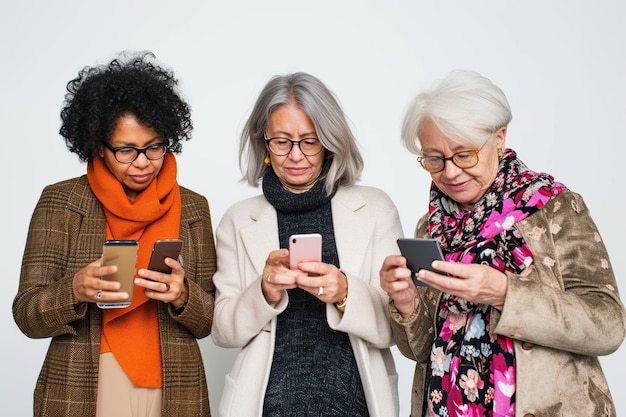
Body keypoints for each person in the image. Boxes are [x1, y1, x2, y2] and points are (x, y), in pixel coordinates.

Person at [379, 69, 626, 417]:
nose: (450, 172)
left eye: (464, 154)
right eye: (434, 159)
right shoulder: (429, 226)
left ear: (499, 138)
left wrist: (504, 293)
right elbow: (421, 351)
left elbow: (609, 325)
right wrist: (406, 303)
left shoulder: (554, 208)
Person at [13, 51, 216, 417]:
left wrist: (184, 295)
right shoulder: (61, 201)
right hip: (84, 387)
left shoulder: (194, 207)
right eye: (126, 150)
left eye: (154, 147)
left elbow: (210, 321)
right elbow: (27, 315)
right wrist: (73, 289)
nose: (142, 161)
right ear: (98, 147)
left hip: (175, 389)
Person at [211, 72, 402, 417]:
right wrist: (264, 291)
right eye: (282, 141)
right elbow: (223, 331)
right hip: (265, 406)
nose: (295, 155)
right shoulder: (238, 219)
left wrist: (345, 292)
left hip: (353, 402)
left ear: (330, 142)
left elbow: (396, 328)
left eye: (309, 141)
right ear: (264, 143)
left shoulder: (375, 208)